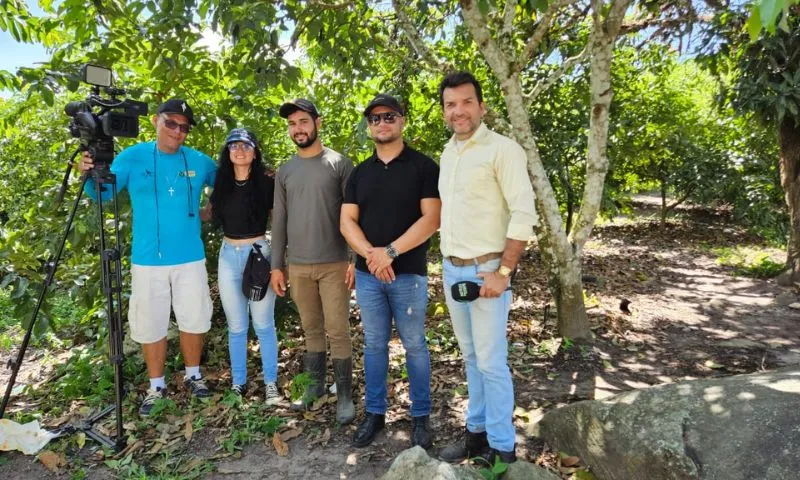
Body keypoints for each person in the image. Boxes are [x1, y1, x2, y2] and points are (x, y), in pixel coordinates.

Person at [78, 99, 217, 416]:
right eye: (171, 123)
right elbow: (104, 194)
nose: (177, 131)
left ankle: (194, 375)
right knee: (151, 322)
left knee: (194, 317)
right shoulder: (132, 156)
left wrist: (213, 210)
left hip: (190, 257)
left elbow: (231, 185)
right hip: (147, 260)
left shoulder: (199, 160)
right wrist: (88, 174)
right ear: (156, 121)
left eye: (184, 127)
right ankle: (157, 386)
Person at [435, 73, 539, 465]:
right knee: (470, 357)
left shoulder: (503, 150)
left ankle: (502, 447)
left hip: (488, 272)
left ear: (481, 105)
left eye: (466, 102)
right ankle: (475, 432)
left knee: (492, 361)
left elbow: (523, 212)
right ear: (444, 111)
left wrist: (504, 271)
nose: (458, 111)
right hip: (452, 270)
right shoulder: (449, 153)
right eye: (450, 104)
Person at [340, 94, 441, 449]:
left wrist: (392, 252)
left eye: (389, 117)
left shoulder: (424, 167)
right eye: (375, 119)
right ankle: (375, 414)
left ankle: (421, 417)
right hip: (369, 277)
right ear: (369, 126)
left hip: (409, 275)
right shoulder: (360, 173)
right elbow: (346, 221)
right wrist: (371, 255)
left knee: (415, 345)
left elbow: (432, 219)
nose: (382, 123)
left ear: (402, 121)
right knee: (374, 345)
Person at [270, 98, 356, 424]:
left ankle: (345, 394)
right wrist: (277, 265)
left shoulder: (339, 164)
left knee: (337, 329)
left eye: (303, 122)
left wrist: (355, 260)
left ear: (317, 122)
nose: (298, 129)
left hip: (334, 262)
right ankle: (315, 387)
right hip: (299, 265)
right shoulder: (286, 171)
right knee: (311, 328)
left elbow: (353, 216)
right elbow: (279, 222)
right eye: (292, 124)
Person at [206, 128, 280, 404]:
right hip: (228, 255)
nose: (239, 150)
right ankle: (239, 383)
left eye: (245, 146)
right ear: (227, 152)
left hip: (258, 252)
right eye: (233, 146)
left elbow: (278, 220)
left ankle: (271, 383)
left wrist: (281, 260)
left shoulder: (266, 181)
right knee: (236, 326)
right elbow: (208, 214)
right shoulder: (221, 181)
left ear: (255, 151)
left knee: (263, 323)